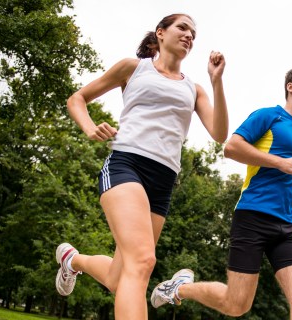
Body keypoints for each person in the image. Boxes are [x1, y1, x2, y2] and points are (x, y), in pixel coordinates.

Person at [54, 13, 228, 320]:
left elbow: (220, 133)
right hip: (127, 165)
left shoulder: (195, 88)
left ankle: (73, 260)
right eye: (182, 28)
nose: (189, 35)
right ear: (161, 33)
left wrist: (216, 82)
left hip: (163, 181)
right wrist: (89, 127)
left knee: (117, 278)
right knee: (143, 262)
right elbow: (77, 99)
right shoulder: (133, 69)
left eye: (193, 33)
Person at [151, 65, 292, 320]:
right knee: (236, 304)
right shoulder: (269, 116)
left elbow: (279, 170)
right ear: (291, 86)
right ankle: (179, 289)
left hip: (286, 226)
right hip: (253, 217)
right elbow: (231, 148)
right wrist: (279, 162)